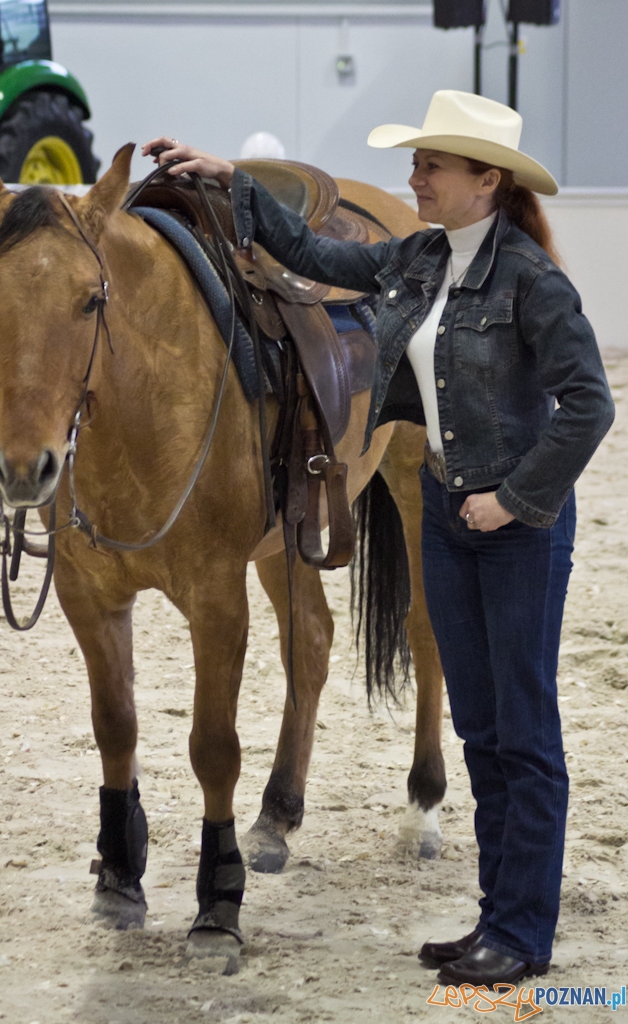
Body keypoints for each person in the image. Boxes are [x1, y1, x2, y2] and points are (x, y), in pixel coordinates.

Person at [142, 89, 614, 986]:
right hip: (446, 508)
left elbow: (589, 405)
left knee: (523, 733)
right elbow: (315, 253)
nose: (414, 178)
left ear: (487, 180)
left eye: (431, 166)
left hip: (515, 528)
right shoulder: (419, 259)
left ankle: (521, 930)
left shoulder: (531, 280)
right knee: (479, 728)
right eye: (417, 163)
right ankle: (495, 919)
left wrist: (514, 499)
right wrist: (232, 181)